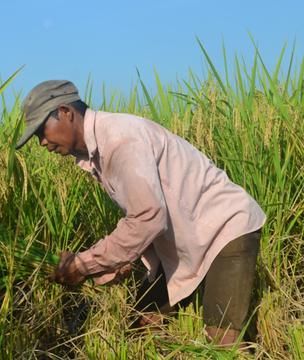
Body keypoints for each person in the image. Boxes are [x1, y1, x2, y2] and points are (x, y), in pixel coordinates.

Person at [15, 80, 266, 346]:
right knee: (142, 324)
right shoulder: (99, 152)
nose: (41, 141)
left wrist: (83, 264)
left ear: (65, 112)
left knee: (222, 341)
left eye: (42, 130)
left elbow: (148, 217)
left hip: (225, 228)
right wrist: (120, 260)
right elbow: (145, 215)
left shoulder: (120, 140)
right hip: (186, 239)